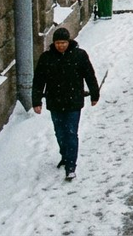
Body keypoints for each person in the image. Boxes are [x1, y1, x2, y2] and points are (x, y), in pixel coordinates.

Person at [32, 27, 100, 181]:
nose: (61, 45)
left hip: (73, 101)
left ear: (69, 42)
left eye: (63, 42)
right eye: (58, 43)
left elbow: (89, 75)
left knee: (71, 132)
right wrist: (36, 101)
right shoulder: (46, 58)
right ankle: (65, 155)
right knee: (60, 133)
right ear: (54, 43)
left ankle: (71, 165)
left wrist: (94, 94)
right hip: (55, 102)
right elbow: (38, 81)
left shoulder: (79, 56)